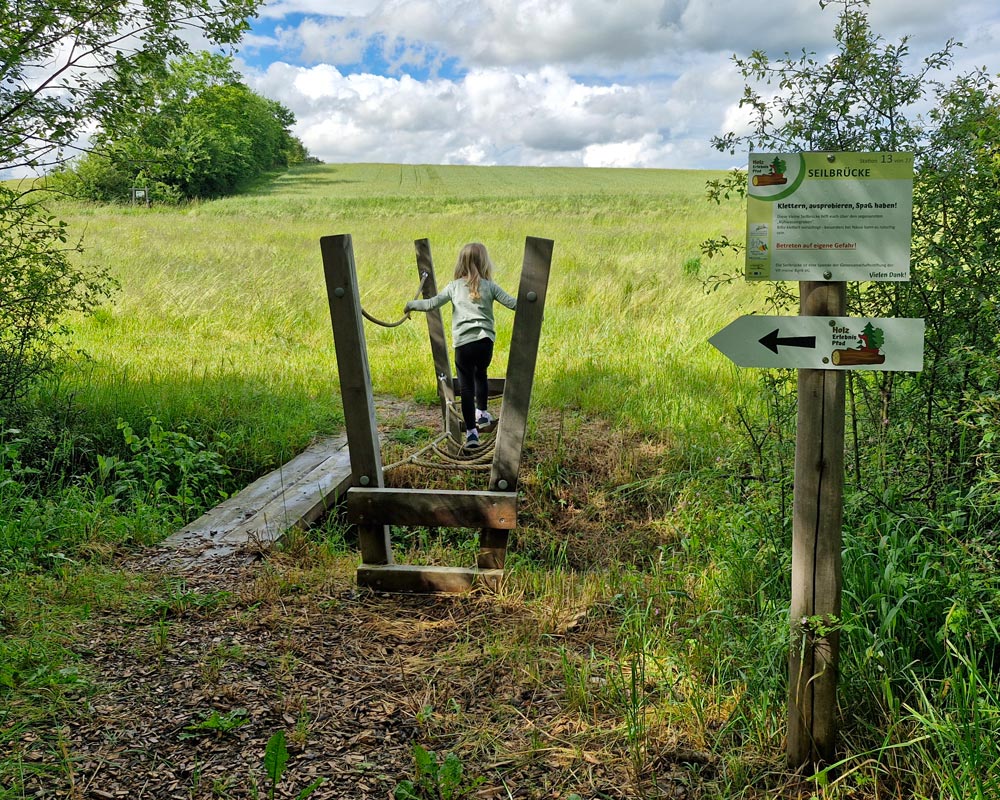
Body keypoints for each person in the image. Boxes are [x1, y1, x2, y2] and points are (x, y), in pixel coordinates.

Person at [405, 242, 516, 448]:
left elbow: (431, 304)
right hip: (485, 343)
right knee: (481, 373)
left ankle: (472, 434)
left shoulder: (454, 287)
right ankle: (482, 412)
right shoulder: (490, 286)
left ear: (461, 263)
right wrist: (534, 307)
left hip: (463, 345)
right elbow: (513, 303)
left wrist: (411, 305)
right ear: (484, 262)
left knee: (466, 387)